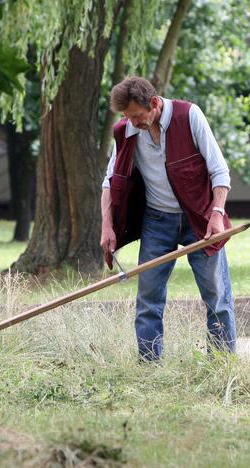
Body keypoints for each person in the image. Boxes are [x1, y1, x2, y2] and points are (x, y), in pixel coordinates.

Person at [99, 76, 235, 361]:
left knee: (217, 296)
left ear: (155, 103)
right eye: (126, 117)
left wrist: (217, 213)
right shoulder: (126, 131)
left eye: (137, 115)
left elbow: (219, 171)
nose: (132, 122)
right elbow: (110, 182)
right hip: (157, 222)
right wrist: (107, 226)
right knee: (148, 299)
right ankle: (149, 366)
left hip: (200, 219)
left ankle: (222, 364)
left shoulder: (189, 116)